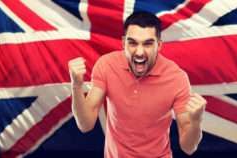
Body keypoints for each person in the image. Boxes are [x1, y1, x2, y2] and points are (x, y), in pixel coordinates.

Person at [68, 11, 206, 158]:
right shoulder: (106, 65)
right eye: (132, 43)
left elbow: (188, 148)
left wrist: (196, 121)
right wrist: (76, 86)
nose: (139, 52)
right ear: (123, 43)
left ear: (159, 46)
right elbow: (85, 124)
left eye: (147, 44)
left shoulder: (177, 78)